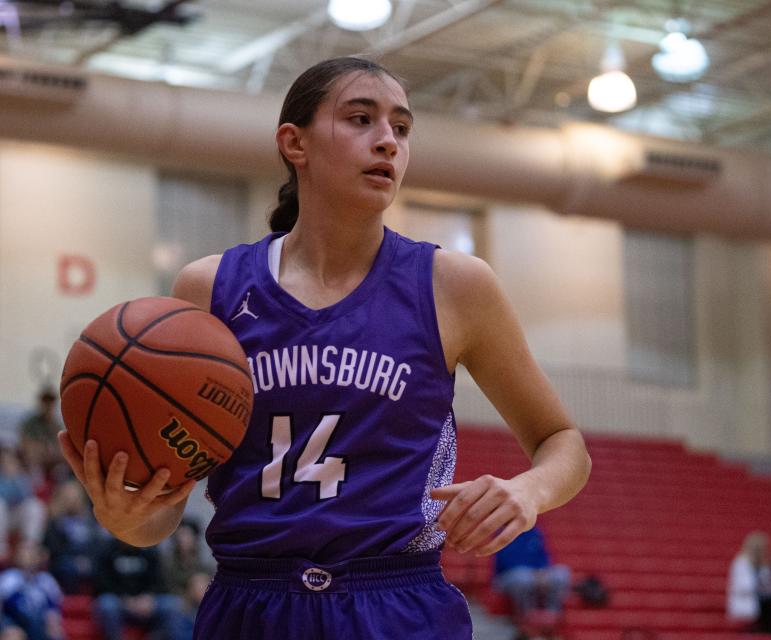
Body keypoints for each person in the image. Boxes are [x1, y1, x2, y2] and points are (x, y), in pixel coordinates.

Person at [57, 55, 592, 639]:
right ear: (294, 143)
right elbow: (163, 512)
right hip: (250, 602)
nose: (387, 141)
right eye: (361, 119)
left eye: (402, 127)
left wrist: (526, 491)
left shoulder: (454, 285)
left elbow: (562, 444)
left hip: (396, 602)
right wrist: (127, 516)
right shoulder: (210, 287)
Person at [91, 537, 180, 640]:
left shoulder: (150, 551)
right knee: (106, 605)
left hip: (144, 603)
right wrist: (125, 599)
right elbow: (101, 583)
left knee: (172, 605)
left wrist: (148, 596)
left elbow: (158, 581)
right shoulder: (107, 550)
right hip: (119, 601)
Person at [493, 525, 570, 639]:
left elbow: (544, 557)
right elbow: (506, 562)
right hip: (507, 576)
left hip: (534, 573)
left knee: (562, 573)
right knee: (523, 578)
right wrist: (534, 574)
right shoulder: (502, 533)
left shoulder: (534, 532)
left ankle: (552, 613)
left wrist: (541, 572)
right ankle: (526, 615)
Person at [41, 481, 100, 595]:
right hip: (65, 560)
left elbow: (98, 543)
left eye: (74, 496)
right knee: (66, 567)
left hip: (89, 558)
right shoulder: (55, 522)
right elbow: (53, 548)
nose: (71, 500)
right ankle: (70, 598)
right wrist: (75, 559)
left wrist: (88, 558)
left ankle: (96, 597)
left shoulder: (91, 519)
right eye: (67, 496)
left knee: (102, 565)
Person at [0, 541, 63, 640]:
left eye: (32, 552)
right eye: (25, 552)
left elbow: (54, 609)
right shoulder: (8, 578)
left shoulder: (46, 580)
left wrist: (53, 624)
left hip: (39, 625)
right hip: (14, 623)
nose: (29, 556)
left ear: (39, 557)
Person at [0, 449, 45, 563]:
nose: (8, 463)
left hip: (15, 516)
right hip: (2, 515)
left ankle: (29, 546)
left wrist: (14, 479)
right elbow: (4, 495)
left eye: (11, 461)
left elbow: (27, 496)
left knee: (35, 505)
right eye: (5, 461)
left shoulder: (21, 478)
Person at [726, 531, 769, 630]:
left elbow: (766, 582)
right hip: (743, 605)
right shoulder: (741, 562)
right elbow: (744, 586)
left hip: (759, 607)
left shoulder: (763, 564)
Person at [17, 390, 60, 484]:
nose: (48, 407)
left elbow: (59, 448)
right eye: (46, 403)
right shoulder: (31, 423)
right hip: (32, 462)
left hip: (52, 463)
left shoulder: (56, 425)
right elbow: (24, 443)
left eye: (50, 404)